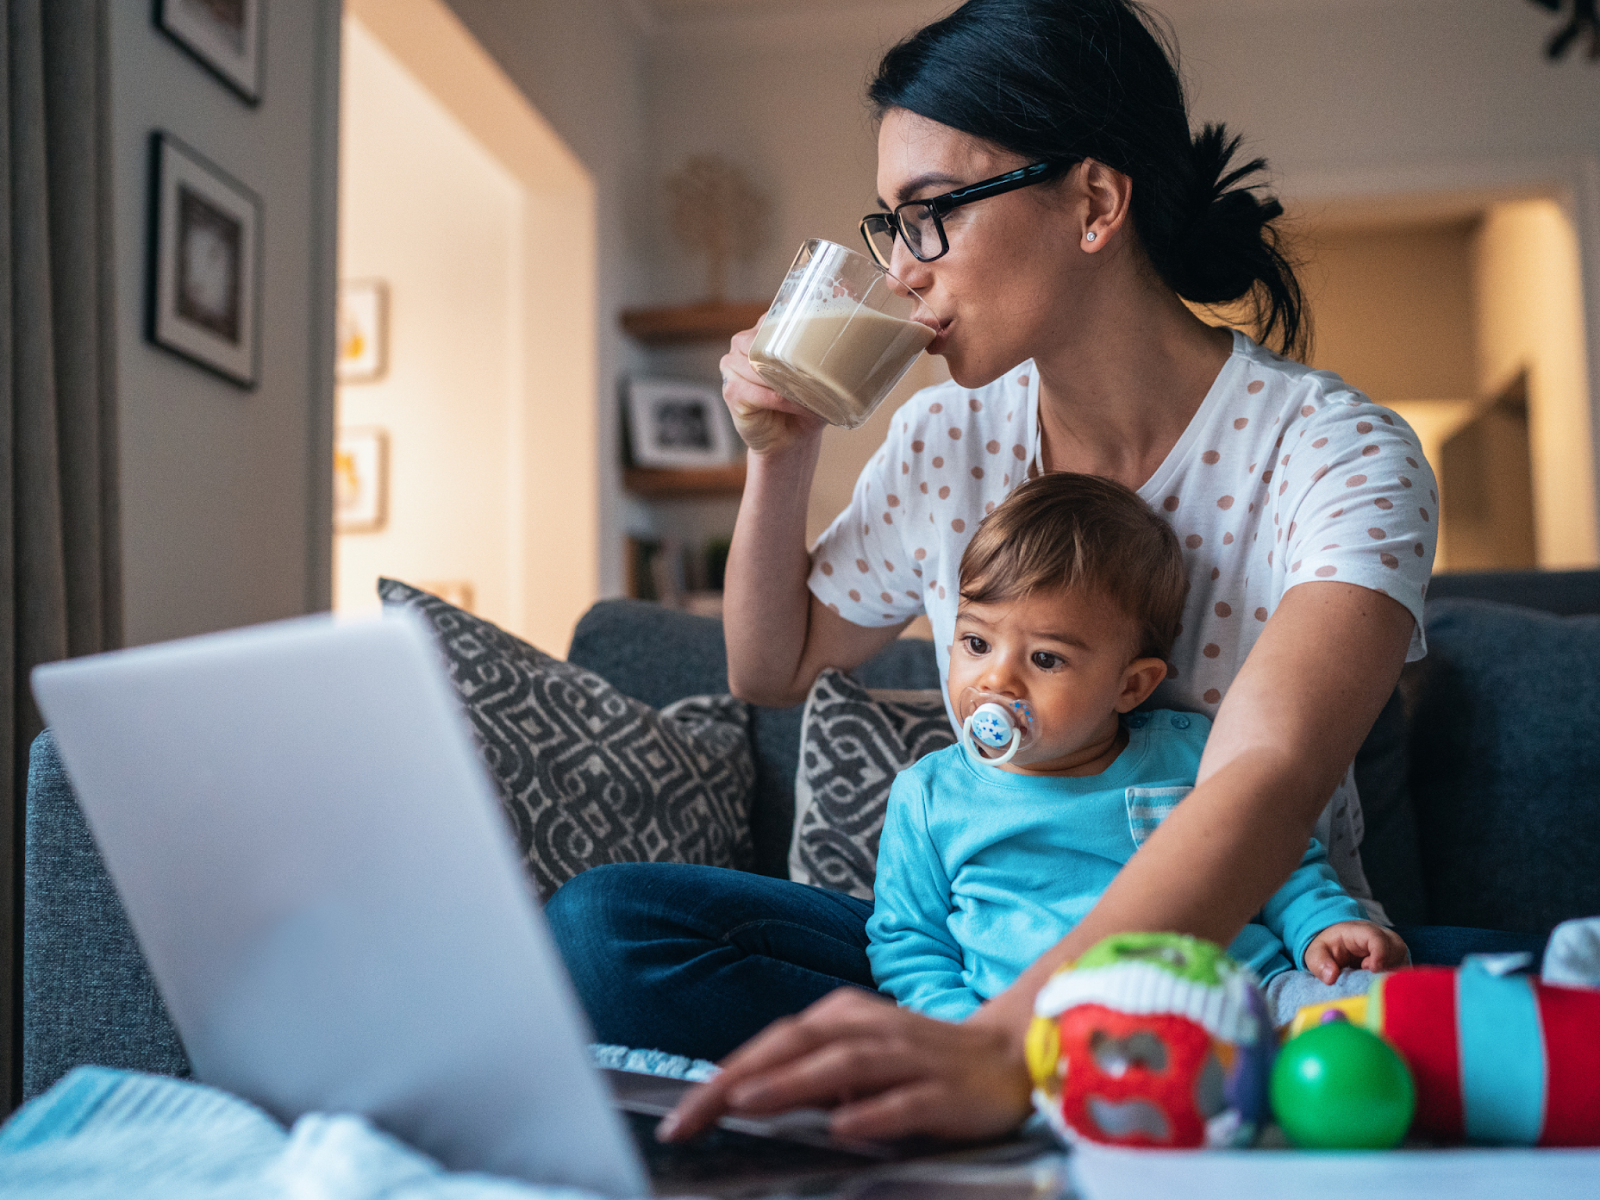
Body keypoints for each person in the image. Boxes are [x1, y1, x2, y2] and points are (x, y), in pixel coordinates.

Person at [549, 0, 1532, 1146]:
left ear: (1095, 202)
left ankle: (1014, 1080)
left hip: (1248, 961)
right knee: (607, 928)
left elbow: (1259, 780)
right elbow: (773, 667)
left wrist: (1009, 1043)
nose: (905, 273)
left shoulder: (1337, 455)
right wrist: (783, 453)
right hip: (982, 968)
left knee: (1506, 1005)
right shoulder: (939, 440)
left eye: (930, 218)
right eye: (890, 227)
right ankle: (988, 1075)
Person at [867, 472, 1409, 1030]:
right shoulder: (929, 798)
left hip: (1244, 1001)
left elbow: (1276, 863)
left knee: (1375, 1010)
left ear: (1132, 686)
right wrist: (963, 1037)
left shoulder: (1192, 753)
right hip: (1044, 1039)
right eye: (976, 643)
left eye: (1046, 659)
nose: (997, 679)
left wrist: (1323, 927)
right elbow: (910, 946)